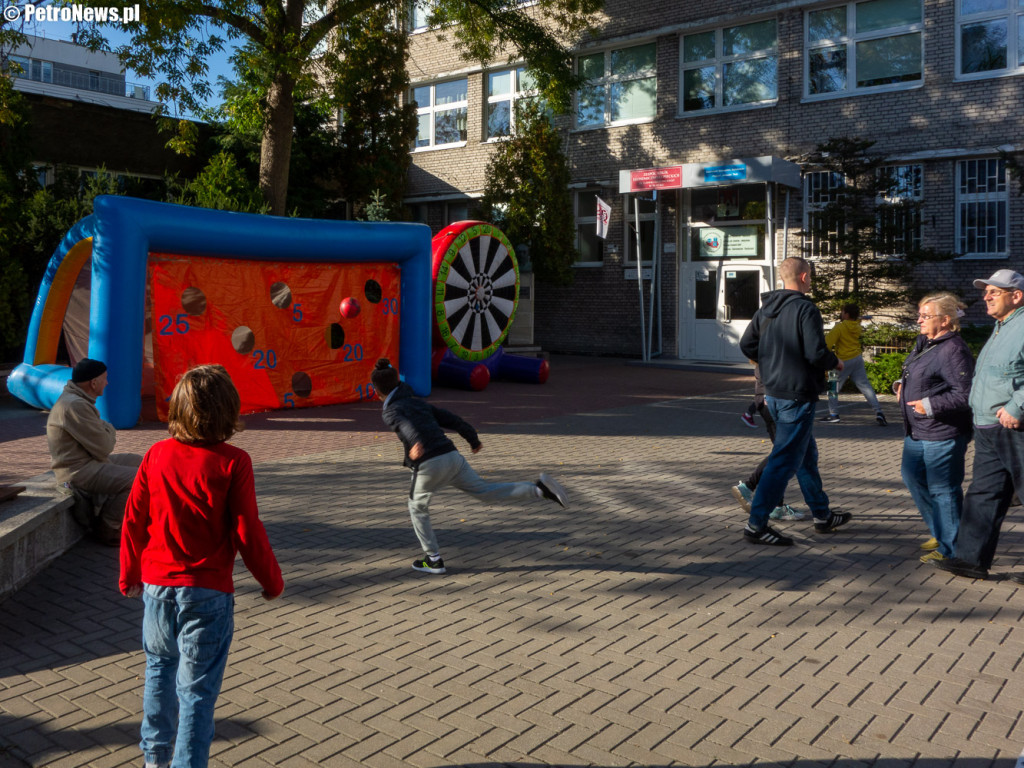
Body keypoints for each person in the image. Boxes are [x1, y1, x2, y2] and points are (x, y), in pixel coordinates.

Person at [119, 365, 284, 768]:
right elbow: (247, 530)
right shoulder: (234, 462)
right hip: (208, 592)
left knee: (159, 670)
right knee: (196, 692)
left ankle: (154, 760)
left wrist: (128, 574)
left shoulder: (156, 455)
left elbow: (134, 519)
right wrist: (271, 580)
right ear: (228, 410)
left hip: (157, 586)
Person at [371, 357, 568, 574]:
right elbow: (451, 419)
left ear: (376, 390)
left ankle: (433, 559)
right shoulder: (418, 402)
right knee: (484, 491)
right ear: (399, 383)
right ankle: (539, 490)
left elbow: (405, 425)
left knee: (416, 507)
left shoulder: (389, 411)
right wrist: (472, 439)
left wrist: (416, 442)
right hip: (452, 458)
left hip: (429, 463)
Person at [738, 256, 850, 546]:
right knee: (784, 462)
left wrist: (770, 364)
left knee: (806, 456)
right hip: (796, 395)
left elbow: (746, 344)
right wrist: (834, 361)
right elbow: (816, 352)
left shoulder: (766, 309)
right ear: (803, 277)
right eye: (810, 276)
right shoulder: (805, 309)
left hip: (773, 393)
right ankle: (756, 525)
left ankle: (822, 515)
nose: (811, 280)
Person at [936, 270, 1024, 581]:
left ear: (1016, 296)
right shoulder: (1002, 327)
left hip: (1014, 425)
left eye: (994, 292)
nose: (986, 296)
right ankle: (970, 560)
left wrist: (1017, 406)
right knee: (983, 495)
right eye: (986, 292)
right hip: (988, 426)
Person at [896, 293, 974, 564]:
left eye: (925, 316)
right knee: (912, 477)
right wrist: (900, 385)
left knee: (943, 489)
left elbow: (964, 393)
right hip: (917, 429)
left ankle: (953, 549)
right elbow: (916, 372)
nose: (918, 320)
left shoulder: (953, 349)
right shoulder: (926, 342)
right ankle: (941, 532)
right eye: (919, 314)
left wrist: (928, 405)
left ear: (946, 320)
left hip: (942, 431)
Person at [46, 358, 142, 545]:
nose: (107, 383)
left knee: (139, 461)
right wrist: (109, 429)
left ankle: (118, 512)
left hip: (88, 462)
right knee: (139, 478)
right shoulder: (75, 405)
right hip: (77, 471)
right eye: (105, 379)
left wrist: (104, 429)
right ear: (94, 382)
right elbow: (104, 446)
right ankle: (109, 527)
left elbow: (100, 442)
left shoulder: (78, 400)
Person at [732, 364, 805, 521]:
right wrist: (768, 392)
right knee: (783, 452)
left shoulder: (771, 342)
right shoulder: (768, 341)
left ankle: (775, 505)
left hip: (775, 398)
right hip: (772, 400)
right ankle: (750, 487)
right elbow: (760, 356)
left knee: (783, 454)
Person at [821, 303, 887, 426]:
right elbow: (856, 320)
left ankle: (833, 414)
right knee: (865, 386)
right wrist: (860, 317)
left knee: (832, 387)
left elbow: (827, 344)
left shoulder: (839, 327)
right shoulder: (857, 325)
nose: (841, 314)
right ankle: (878, 412)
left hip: (842, 361)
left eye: (842, 312)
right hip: (857, 359)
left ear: (846, 314)